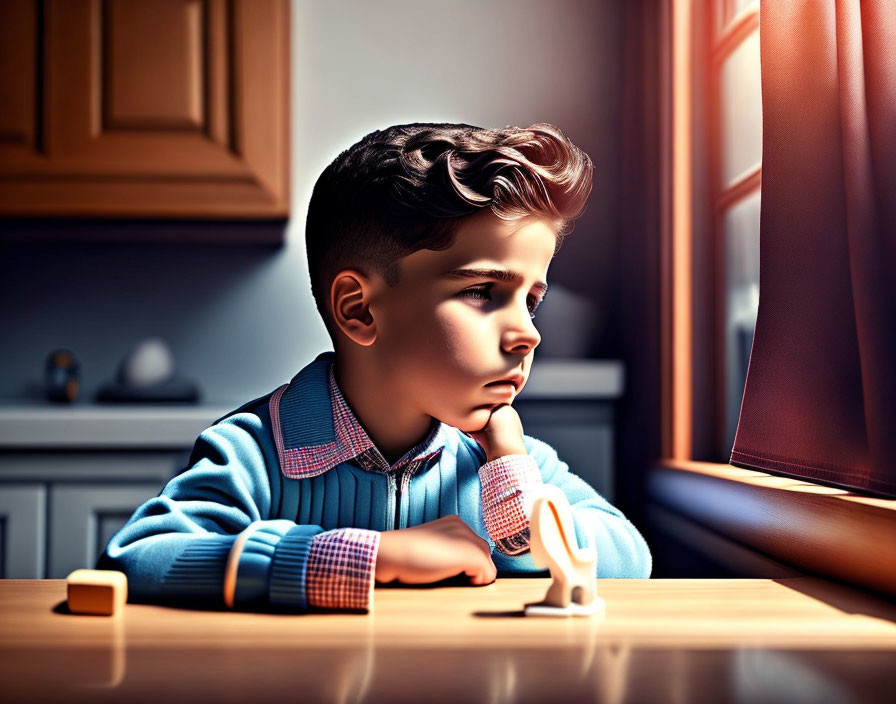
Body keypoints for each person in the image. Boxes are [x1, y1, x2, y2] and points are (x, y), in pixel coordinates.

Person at [98, 122, 651, 612]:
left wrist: (520, 509)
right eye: (483, 291)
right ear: (359, 309)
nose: (528, 333)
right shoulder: (256, 451)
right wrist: (363, 557)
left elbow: (631, 560)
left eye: (532, 300)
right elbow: (140, 556)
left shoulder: (509, 462)